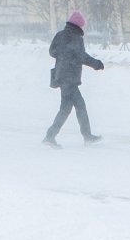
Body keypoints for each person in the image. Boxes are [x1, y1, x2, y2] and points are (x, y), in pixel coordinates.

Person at [43, 10, 104, 148]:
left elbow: (52, 51)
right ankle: (51, 136)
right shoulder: (76, 38)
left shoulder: (60, 35)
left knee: (74, 107)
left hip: (61, 76)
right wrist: (97, 64)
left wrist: (63, 55)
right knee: (71, 108)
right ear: (78, 25)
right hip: (70, 78)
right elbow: (82, 57)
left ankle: (84, 136)